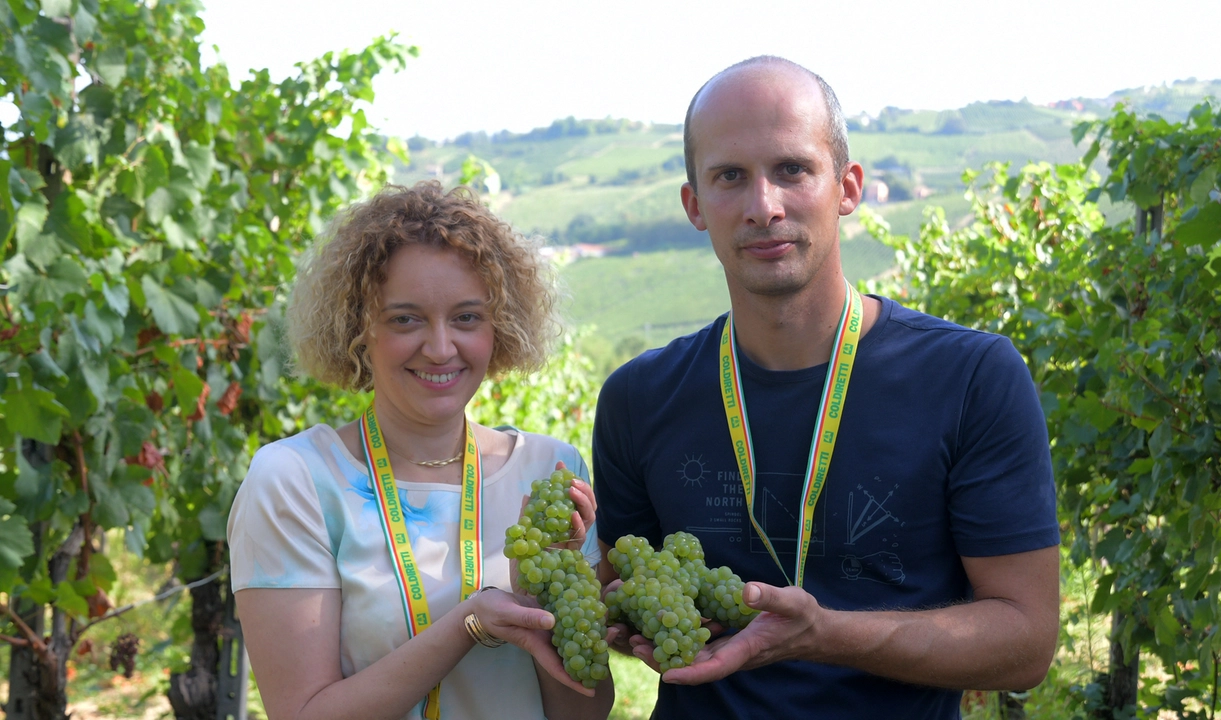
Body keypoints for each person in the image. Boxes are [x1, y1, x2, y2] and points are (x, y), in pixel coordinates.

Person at [593, 56, 1060, 719]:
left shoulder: (972, 378)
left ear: (847, 187)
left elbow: (1027, 643)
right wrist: (608, 610)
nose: (764, 206)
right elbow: (628, 594)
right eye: (731, 176)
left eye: (792, 170)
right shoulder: (637, 400)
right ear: (695, 205)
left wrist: (824, 635)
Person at [228, 181, 614, 720]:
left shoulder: (549, 472)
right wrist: (469, 624)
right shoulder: (295, 481)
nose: (439, 347)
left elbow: (583, 714)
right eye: (405, 318)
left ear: (498, 327)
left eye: (466, 317)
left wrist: (545, 593)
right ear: (358, 328)